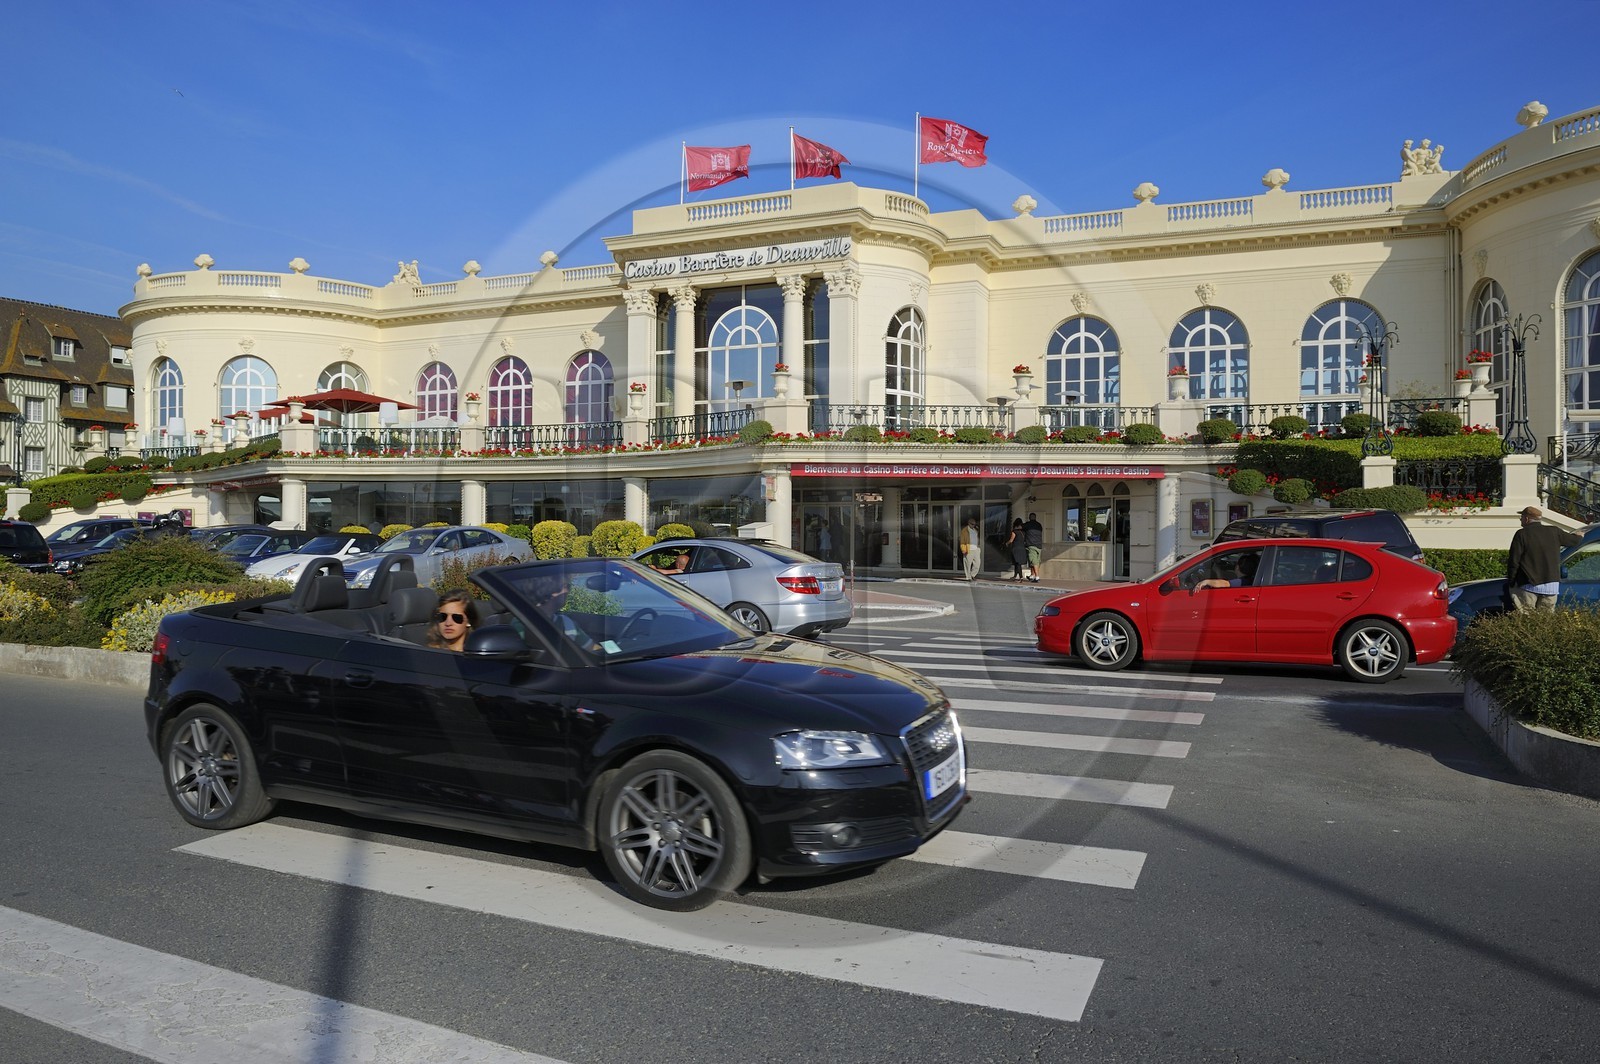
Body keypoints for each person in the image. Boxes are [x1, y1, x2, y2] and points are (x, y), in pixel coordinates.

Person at [1506, 506, 1580, 611]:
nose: (1520, 519)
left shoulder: (1522, 534)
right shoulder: (1555, 531)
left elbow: (1514, 560)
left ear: (1527, 519)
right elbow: (1573, 541)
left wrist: (1512, 581)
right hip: (1551, 585)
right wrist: (1579, 536)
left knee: (1527, 620)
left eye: (1521, 517)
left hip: (1528, 584)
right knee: (1545, 621)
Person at [1022, 512, 1045, 583]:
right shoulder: (1039, 525)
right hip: (1039, 545)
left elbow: (1020, 527)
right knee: (1036, 561)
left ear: (1029, 517)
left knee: (1033, 561)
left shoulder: (1027, 525)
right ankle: (1032, 575)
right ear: (1035, 517)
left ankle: (1037, 577)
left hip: (1031, 545)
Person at [959, 516, 982, 581]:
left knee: (977, 563)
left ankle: (972, 575)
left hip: (976, 549)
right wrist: (963, 549)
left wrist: (978, 546)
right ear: (968, 523)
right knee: (968, 563)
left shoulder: (975, 530)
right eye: (972, 524)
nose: (973, 525)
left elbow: (976, 538)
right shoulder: (964, 531)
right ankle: (968, 577)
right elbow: (962, 541)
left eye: (974, 524)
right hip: (969, 548)